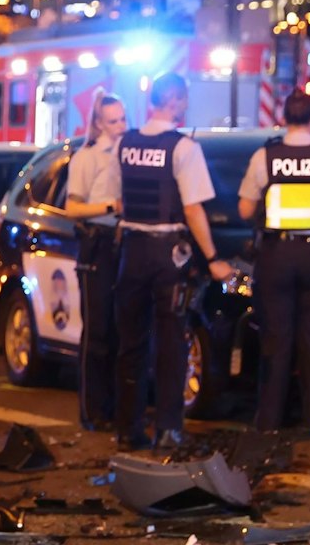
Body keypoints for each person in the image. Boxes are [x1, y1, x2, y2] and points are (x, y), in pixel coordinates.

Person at [90, 73, 234, 449]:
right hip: (168, 255)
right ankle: (169, 430)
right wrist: (213, 258)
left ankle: (128, 430)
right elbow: (194, 210)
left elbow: (116, 198)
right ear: (177, 101)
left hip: (131, 252)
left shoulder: (125, 144)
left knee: (131, 344)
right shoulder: (183, 147)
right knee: (171, 343)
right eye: (184, 99)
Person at [237, 91, 310, 441]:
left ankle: (269, 422)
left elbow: (244, 209)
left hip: (277, 256)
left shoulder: (264, 156)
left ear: (283, 118)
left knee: (275, 339)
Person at [64, 93, 129, 431]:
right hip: (98, 244)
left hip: (124, 243)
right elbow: (72, 208)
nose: (121, 126)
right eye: (114, 121)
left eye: (123, 119)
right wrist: (110, 207)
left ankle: (118, 408)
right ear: (99, 123)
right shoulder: (87, 158)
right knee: (97, 331)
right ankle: (92, 411)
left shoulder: (129, 154)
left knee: (120, 331)